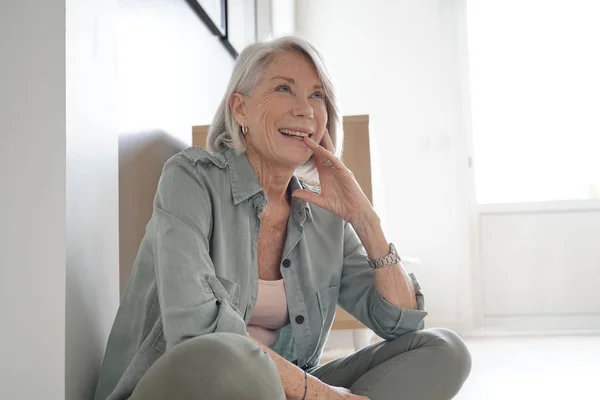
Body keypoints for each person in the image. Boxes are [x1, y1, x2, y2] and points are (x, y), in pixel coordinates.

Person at [94, 36, 471, 400]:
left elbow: (400, 324)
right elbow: (196, 336)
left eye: (316, 95)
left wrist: (366, 220)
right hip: (187, 385)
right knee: (230, 356)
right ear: (240, 109)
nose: (305, 109)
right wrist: (321, 395)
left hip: (285, 390)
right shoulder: (190, 180)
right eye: (284, 89)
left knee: (444, 349)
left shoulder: (325, 215)